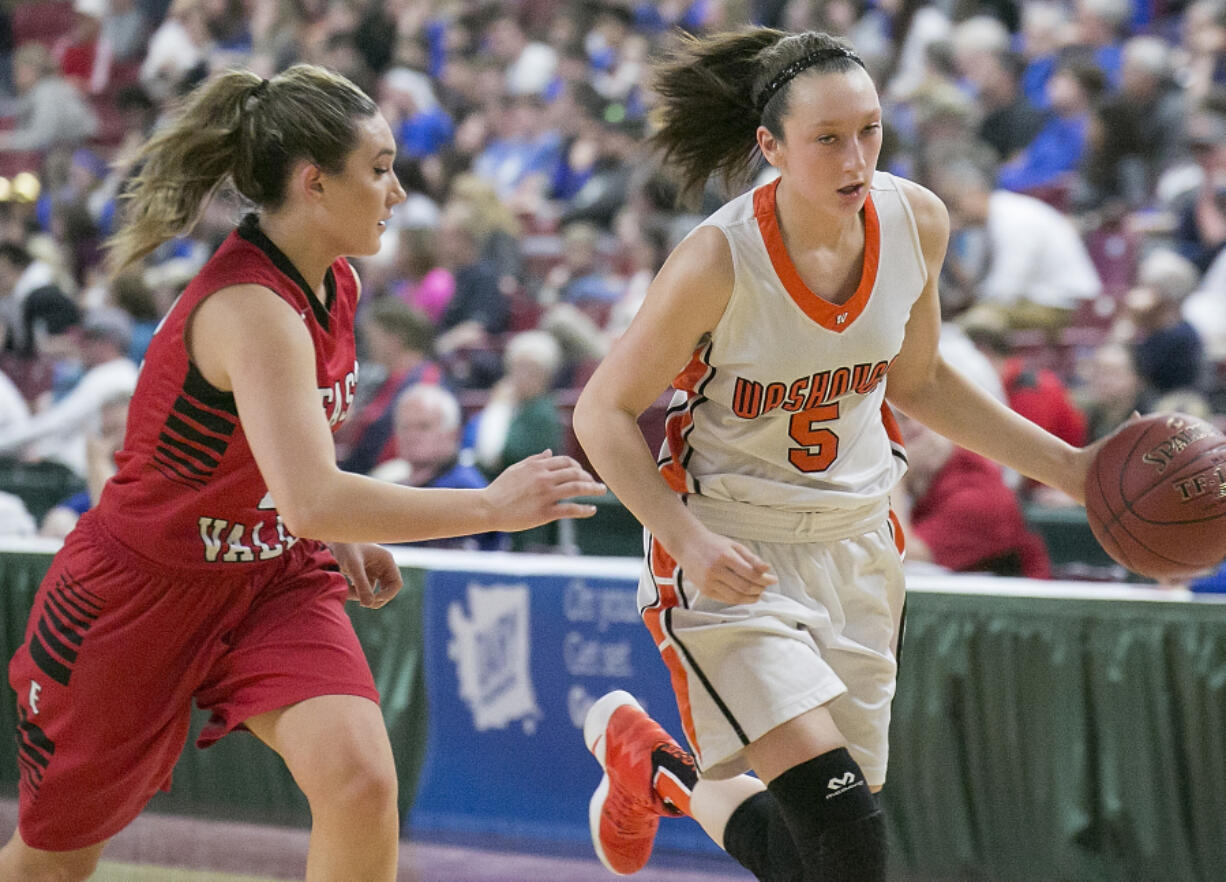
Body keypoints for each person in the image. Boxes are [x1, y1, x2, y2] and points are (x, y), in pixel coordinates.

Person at [0, 64, 604, 882]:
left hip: (269, 575)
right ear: (315, 183)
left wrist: (337, 531)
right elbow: (314, 494)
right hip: (138, 594)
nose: (397, 193)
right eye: (381, 168)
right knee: (49, 866)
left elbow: (296, 469)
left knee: (359, 784)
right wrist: (491, 503)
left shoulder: (339, 282)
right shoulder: (250, 310)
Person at [571, 28, 1096, 881]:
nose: (857, 158)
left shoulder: (916, 219)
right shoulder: (717, 259)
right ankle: (661, 768)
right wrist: (686, 539)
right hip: (731, 552)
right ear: (769, 148)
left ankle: (657, 772)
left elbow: (918, 383)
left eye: (871, 131)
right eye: (828, 139)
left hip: (857, 542)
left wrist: (1069, 467)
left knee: (817, 848)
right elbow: (602, 412)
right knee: (850, 841)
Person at [370, 382, 507, 551]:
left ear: (452, 433)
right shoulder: (391, 483)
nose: (411, 436)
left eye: (423, 427)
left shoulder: (467, 491)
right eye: (405, 427)